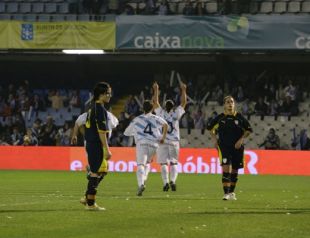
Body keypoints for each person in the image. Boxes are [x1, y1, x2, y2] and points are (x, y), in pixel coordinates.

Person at [73, 82, 112, 211]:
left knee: (102, 171)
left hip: (91, 143)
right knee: (95, 173)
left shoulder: (92, 108)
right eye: (108, 93)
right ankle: (90, 203)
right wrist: (106, 149)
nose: (110, 96)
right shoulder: (100, 109)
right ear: (101, 94)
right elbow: (102, 131)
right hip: (96, 144)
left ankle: (87, 198)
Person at [207, 95, 252, 200]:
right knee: (226, 168)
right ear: (224, 105)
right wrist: (214, 140)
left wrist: (241, 140)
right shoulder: (220, 118)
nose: (230, 104)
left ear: (234, 104)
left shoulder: (239, 117)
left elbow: (248, 130)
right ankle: (226, 193)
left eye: (231, 102)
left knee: (235, 171)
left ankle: (231, 192)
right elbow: (210, 128)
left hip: (237, 148)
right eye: (227, 102)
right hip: (224, 147)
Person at [124, 100, 168, 196]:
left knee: (140, 165)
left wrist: (135, 132)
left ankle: (141, 184)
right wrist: (163, 138)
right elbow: (165, 124)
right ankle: (144, 179)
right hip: (154, 145)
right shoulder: (156, 118)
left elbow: (126, 132)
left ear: (142, 108)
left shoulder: (137, 119)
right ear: (152, 109)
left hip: (142, 144)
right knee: (147, 162)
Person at [152, 82, 187, 191]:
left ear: (165, 106)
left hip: (163, 141)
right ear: (173, 107)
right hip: (174, 142)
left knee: (163, 163)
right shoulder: (176, 113)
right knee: (174, 163)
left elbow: (154, 102)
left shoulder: (161, 113)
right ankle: (173, 181)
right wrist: (184, 90)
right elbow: (184, 102)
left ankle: (166, 182)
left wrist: (156, 90)